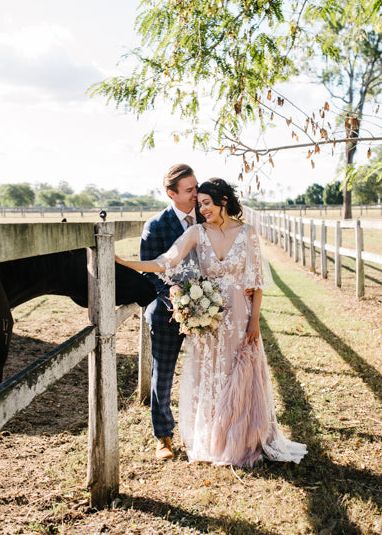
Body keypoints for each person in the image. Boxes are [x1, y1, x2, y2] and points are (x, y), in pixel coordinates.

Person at [116, 178, 307, 467]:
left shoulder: (248, 233)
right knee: (211, 376)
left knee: (238, 374)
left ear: (224, 202)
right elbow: (165, 261)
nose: (201, 208)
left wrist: (254, 321)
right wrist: (124, 262)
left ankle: (242, 439)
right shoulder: (196, 232)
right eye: (199, 203)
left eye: (206, 203)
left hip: (240, 315)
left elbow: (256, 282)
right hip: (209, 317)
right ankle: (215, 439)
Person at [136, 164, 198, 460]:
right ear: (172, 194)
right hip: (168, 309)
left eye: (196, 187)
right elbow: (148, 272)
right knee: (163, 373)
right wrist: (173, 297)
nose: (197, 194)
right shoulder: (156, 225)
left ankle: (209, 430)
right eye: (189, 190)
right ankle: (163, 436)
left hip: (210, 308)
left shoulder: (208, 216)